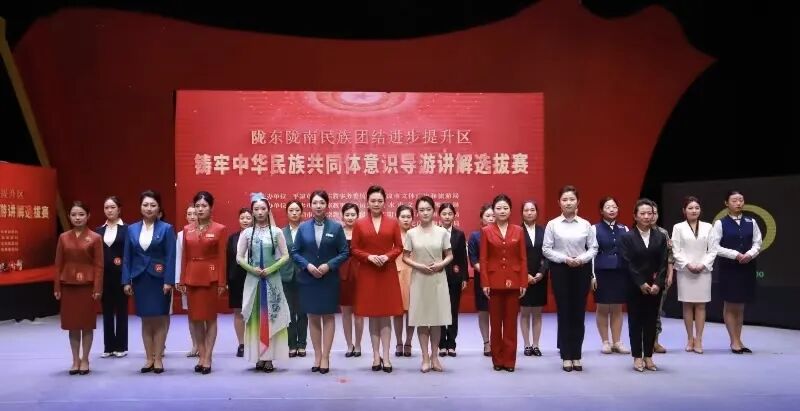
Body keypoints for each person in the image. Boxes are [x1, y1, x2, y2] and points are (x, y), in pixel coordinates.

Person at [291, 190, 349, 374]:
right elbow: (295, 252)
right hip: (309, 278)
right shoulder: (303, 228)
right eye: (315, 203)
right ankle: (317, 355)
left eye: (322, 203)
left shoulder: (336, 227)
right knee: (313, 317)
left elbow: (344, 252)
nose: (318, 206)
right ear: (310, 205)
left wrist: (329, 265)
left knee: (328, 317)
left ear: (327, 205)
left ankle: (326, 357)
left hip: (328, 278)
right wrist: (307, 265)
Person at [542, 185, 598, 372]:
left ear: (578, 202)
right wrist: (565, 259)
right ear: (559, 203)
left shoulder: (585, 224)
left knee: (579, 312)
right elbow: (546, 249)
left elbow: (593, 247)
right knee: (564, 312)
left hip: (581, 270)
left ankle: (577, 355)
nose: (568, 203)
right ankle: (566, 355)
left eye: (572, 199)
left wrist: (581, 259)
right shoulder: (552, 224)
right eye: (564, 199)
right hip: (561, 270)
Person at [351, 185, 404, 373]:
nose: (376, 204)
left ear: (385, 203)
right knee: (373, 315)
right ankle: (375, 355)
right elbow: (354, 249)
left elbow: (399, 247)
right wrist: (369, 257)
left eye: (380, 201)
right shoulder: (359, 224)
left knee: (386, 314)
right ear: (367, 202)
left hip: (387, 271)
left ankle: (387, 357)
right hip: (368, 272)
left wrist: (387, 257)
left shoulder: (393, 223)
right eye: (373, 200)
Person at [122, 190, 176, 374]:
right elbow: (127, 257)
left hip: (159, 279)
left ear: (159, 208)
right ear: (140, 207)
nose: (149, 208)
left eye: (153, 205)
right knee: (145, 320)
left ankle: (158, 358)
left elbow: (171, 257)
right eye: (145, 205)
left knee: (159, 319)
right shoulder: (131, 229)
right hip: (140, 279)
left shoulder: (166, 228)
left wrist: (169, 281)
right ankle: (148, 358)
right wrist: (126, 281)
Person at [236, 194, 291, 372]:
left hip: (272, 280)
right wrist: (252, 270)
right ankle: (258, 356)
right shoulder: (246, 233)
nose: (260, 212)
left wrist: (271, 269)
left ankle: (269, 358)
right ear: (252, 212)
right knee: (255, 318)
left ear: (268, 210)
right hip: (253, 281)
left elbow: (285, 256)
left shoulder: (276, 232)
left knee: (271, 317)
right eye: (256, 209)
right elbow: (239, 257)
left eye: (263, 209)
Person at [177, 191, 227, 374]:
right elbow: (184, 256)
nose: (200, 209)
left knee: (210, 318)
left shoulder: (219, 229)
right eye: (197, 206)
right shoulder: (187, 229)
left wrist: (222, 282)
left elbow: (222, 258)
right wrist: (182, 279)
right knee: (196, 318)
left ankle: (208, 357)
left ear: (211, 208)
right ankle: (202, 354)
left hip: (211, 278)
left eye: (204, 206)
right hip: (192, 278)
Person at [403, 196, 454, 372]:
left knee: (437, 320)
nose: (425, 213)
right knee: (422, 319)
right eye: (421, 210)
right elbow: (405, 257)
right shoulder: (411, 233)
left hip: (438, 278)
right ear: (417, 212)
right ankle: (425, 357)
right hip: (419, 278)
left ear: (434, 211)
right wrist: (419, 266)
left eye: (428, 209)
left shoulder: (442, 232)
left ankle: (435, 357)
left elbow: (449, 255)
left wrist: (441, 264)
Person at [55, 201, 104, 375]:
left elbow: (99, 266)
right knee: (73, 325)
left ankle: (85, 359)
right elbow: (58, 264)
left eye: (81, 214)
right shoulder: (63, 237)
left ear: (88, 216)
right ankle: (75, 360)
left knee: (86, 324)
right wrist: (57, 286)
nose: (77, 218)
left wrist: (98, 288)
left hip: (87, 287)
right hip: (68, 286)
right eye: (74, 214)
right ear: (69, 216)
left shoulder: (95, 238)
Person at [710, 190, 762, 354]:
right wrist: (735, 254)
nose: (738, 203)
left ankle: (739, 339)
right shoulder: (720, 223)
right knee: (730, 303)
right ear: (726, 203)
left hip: (747, 266)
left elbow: (757, 243)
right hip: (729, 267)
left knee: (740, 305)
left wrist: (750, 254)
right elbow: (714, 246)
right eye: (734, 200)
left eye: (741, 200)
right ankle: (733, 341)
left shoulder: (751, 221)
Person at [480, 194, 527, 372]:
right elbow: (483, 259)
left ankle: (510, 361)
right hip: (493, 281)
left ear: (510, 210)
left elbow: (523, 259)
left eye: (505, 208)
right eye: (498, 208)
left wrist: (523, 282)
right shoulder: (487, 231)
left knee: (510, 324)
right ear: (493, 210)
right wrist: (485, 282)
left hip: (514, 281)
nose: (502, 211)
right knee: (495, 323)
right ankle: (497, 360)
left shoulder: (518, 230)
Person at [620, 199, 668, 372]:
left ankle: (648, 356)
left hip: (655, 287)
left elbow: (663, 262)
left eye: (650, 213)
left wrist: (658, 284)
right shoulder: (627, 237)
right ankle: (637, 356)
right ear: (635, 216)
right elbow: (627, 262)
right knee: (635, 321)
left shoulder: (660, 237)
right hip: (634, 285)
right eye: (643, 213)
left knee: (651, 321)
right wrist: (640, 283)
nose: (647, 216)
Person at [671, 196, 715, 354]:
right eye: (690, 208)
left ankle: (699, 340)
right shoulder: (678, 227)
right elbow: (676, 250)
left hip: (703, 270)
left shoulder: (708, 227)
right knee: (687, 305)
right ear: (684, 211)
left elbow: (713, 249)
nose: (694, 211)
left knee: (701, 305)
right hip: (685, 270)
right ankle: (690, 338)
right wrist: (688, 264)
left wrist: (702, 264)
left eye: (697, 208)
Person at [591, 197, 631, 355]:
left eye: (614, 206)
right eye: (608, 207)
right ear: (601, 211)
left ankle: (617, 341)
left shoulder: (624, 228)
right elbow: (591, 253)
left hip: (620, 271)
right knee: (602, 306)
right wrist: (592, 275)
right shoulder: (594, 229)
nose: (612, 209)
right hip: (601, 271)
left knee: (617, 307)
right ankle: (605, 342)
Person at [96, 196, 128, 358]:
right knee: (107, 311)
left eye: (112, 207)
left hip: (121, 276)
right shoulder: (98, 231)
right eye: (106, 207)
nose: (109, 210)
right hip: (104, 276)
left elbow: (129, 255)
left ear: (119, 209)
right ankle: (108, 346)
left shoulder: (127, 229)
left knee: (121, 311)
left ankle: (121, 346)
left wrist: (128, 278)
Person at [438, 203, 468, 357]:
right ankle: (441, 344)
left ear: (454, 215)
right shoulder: (435, 232)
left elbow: (463, 257)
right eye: (444, 213)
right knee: (439, 311)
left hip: (455, 277)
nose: (447, 216)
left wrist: (464, 277)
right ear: (439, 215)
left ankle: (451, 344)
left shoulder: (459, 234)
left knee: (453, 311)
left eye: (450, 213)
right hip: (437, 277)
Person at [519, 200, 549, 357]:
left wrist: (541, 273)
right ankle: (526, 344)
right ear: (522, 213)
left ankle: (536, 345)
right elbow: (515, 256)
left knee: (537, 312)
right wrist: (525, 274)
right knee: (524, 312)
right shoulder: (517, 231)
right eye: (526, 210)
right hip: (522, 277)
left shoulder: (544, 231)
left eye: (532, 210)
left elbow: (547, 254)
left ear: (537, 212)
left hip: (540, 277)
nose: (529, 213)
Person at [281, 200, 308, 358]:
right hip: (285, 275)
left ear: (301, 213)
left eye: (297, 210)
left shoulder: (307, 231)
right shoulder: (281, 232)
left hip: (304, 275)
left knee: (302, 311)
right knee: (289, 312)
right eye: (291, 210)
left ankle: (302, 344)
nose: (294, 213)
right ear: (287, 213)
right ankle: (291, 344)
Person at [468, 204, 495, 356]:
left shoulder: (503, 234)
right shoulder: (475, 236)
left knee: (498, 312)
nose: (491, 218)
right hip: (482, 279)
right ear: (481, 219)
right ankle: (486, 343)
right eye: (487, 216)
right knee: (484, 311)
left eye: (493, 216)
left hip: (499, 279)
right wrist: (486, 273)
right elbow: (473, 260)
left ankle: (497, 341)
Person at [175, 204, 200, 358]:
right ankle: (195, 345)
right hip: (187, 279)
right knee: (191, 314)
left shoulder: (208, 231)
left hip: (203, 278)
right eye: (189, 214)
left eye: (194, 213)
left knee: (204, 314)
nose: (192, 217)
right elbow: (179, 258)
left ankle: (204, 345)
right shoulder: (180, 235)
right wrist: (179, 279)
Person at [227, 208, 253, 357]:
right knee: (238, 312)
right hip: (236, 279)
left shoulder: (258, 236)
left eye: (248, 218)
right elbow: (228, 260)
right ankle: (242, 344)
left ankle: (254, 343)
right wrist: (226, 280)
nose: (245, 220)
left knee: (254, 312)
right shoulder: (232, 238)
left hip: (254, 277)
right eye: (242, 218)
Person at [339, 202, 364, 358]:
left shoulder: (362, 232)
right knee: (345, 312)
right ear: (342, 216)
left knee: (359, 312)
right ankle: (349, 344)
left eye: (353, 214)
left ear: (358, 216)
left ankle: (358, 344)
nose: (350, 217)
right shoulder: (338, 232)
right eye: (347, 214)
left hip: (360, 273)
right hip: (342, 275)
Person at [651, 204, 675, 353]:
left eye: (655, 213)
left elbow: (669, 256)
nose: (652, 216)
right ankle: (643, 341)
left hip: (661, 277)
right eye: (649, 213)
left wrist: (670, 274)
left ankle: (655, 341)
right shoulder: (637, 232)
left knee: (657, 311)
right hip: (644, 276)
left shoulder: (663, 232)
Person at [393, 204, 415, 357]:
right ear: (397, 218)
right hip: (396, 275)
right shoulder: (393, 235)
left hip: (414, 275)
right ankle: (399, 342)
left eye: (408, 217)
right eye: (403, 217)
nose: (406, 220)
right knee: (398, 312)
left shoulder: (416, 234)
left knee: (412, 312)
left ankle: (408, 342)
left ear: (413, 218)